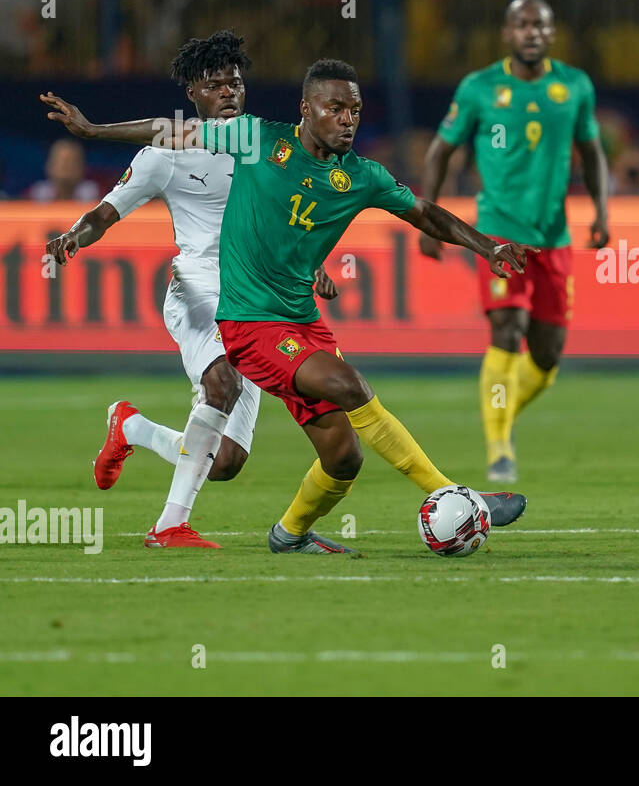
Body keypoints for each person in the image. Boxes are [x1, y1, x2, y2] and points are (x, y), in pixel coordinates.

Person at [44, 58, 532, 554]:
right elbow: (165, 131)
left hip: (300, 320)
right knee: (345, 385)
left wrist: (486, 246)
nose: (347, 119)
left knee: (338, 457)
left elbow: (425, 214)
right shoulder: (255, 139)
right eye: (335, 108)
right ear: (306, 109)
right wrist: (91, 129)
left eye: (355, 111)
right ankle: (449, 492)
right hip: (245, 320)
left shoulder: (362, 176)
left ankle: (289, 533)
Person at [42, 30, 315, 548]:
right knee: (223, 385)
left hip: (259, 294)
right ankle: (169, 525)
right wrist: (74, 237)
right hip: (198, 285)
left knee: (226, 462)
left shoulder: (264, 145)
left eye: (235, 83)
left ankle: (132, 429)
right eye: (215, 86)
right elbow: (106, 212)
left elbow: (288, 219)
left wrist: (308, 263)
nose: (229, 94)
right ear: (193, 95)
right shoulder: (164, 153)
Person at [420, 0, 610, 484]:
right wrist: (427, 216)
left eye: (541, 26)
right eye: (523, 25)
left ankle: (499, 414)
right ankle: (498, 446)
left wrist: (602, 212)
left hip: (555, 236)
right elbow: (441, 150)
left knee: (547, 355)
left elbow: (592, 154)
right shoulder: (480, 89)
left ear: (551, 33)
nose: (532, 33)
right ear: (507, 32)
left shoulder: (574, 86)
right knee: (507, 329)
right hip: (498, 233)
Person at [29, 139, 100, 202]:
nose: (67, 167)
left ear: (83, 166)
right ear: (49, 165)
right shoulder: (36, 196)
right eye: (62, 162)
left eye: (73, 162)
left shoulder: (94, 197)